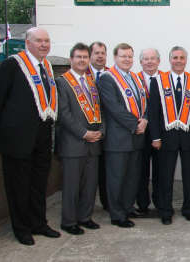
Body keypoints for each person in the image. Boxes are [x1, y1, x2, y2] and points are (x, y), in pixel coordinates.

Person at [0, 27, 61, 245]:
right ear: (27, 43)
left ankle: (38, 223)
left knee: (39, 183)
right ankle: (21, 229)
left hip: (42, 135)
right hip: (17, 139)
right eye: (39, 41)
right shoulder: (13, 64)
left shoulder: (46, 66)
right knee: (18, 185)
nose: (44, 44)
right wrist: (8, 130)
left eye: (46, 41)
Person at [148, 46, 190, 224]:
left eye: (181, 58)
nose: (178, 61)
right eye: (175, 58)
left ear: (186, 61)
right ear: (169, 60)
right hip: (166, 137)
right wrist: (155, 137)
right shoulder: (158, 81)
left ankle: (189, 209)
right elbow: (153, 111)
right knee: (165, 176)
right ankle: (165, 211)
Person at [98, 43, 148, 228]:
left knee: (131, 177)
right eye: (123, 56)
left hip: (136, 137)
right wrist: (135, 124)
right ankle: (117, 214)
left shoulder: (135, 78)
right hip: (118, 139)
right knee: (116, 178)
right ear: (115, 58)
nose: (127, 59)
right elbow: (114, 108)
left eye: (129, 56)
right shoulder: (107, 79)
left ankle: (127, 207)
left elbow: (144, 103)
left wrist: (145, 120)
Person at [56, 43, 103, 235]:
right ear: (71, 60)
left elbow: (101, 110)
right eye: (78, 57)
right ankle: (69, 221)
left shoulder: (92, 83)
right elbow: (64, 114)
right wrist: (83, 133)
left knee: (90, 185)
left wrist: (101, 131)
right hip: (73, 143)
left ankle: (85, 217)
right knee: (71, 185)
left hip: (94, 143)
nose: (82, 60)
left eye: (85, 57)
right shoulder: (62, 82)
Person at [135, 48, 162, 216]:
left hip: (160, 133)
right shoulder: (134, 79)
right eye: (146, 59)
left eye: (153, 58)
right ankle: (143, 204)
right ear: (141, 62)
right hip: (140, 132)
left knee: (161, 170)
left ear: (159, 61)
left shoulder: (165, 79)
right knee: (141, 170)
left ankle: (160, 203)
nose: (150, 62)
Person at [87, 41, 110, 211]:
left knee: (107, 171)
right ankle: (86, 207)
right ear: (90, 56)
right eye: (96, 53)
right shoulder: (81, 75)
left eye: (103, 53)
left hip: (109, 132)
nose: (100, 56)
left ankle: (107, 202)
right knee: (88, 173)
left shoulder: (112, 75)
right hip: (88, 132)